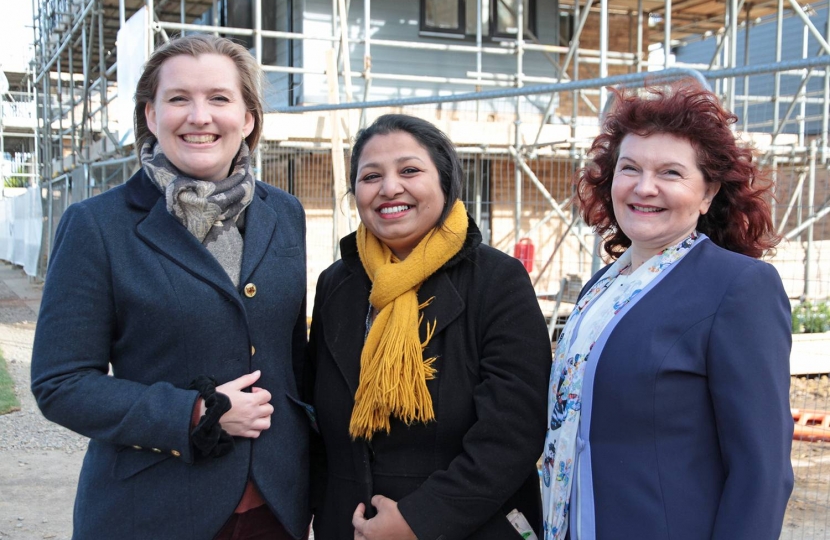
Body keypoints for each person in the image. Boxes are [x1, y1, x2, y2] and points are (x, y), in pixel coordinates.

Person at [30, 34, 311, 540]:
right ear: (151, 116)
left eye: (219, 99)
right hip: (153, 510)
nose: (199, 116)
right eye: (179, 98)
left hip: (278, 507)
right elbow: (61, 383)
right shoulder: (97, 225)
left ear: (248, 119)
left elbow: (292, 358)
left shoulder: (284, 213)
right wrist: (195, 413)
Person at [541, 82, 794, 540]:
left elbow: (763, 471)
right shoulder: (602, 286)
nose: (644, 187)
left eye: (671, 173)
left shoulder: (739, 288)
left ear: (708, 192)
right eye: (630, 168)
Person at [306, 114, 552, 540]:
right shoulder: (336, 284)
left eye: (409, 170)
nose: (389, 188)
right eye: (370, 176)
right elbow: (317, 420)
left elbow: (514, 432)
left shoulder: (497, 280)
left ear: (446, 182)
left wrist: (419, 520)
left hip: (466, 527)